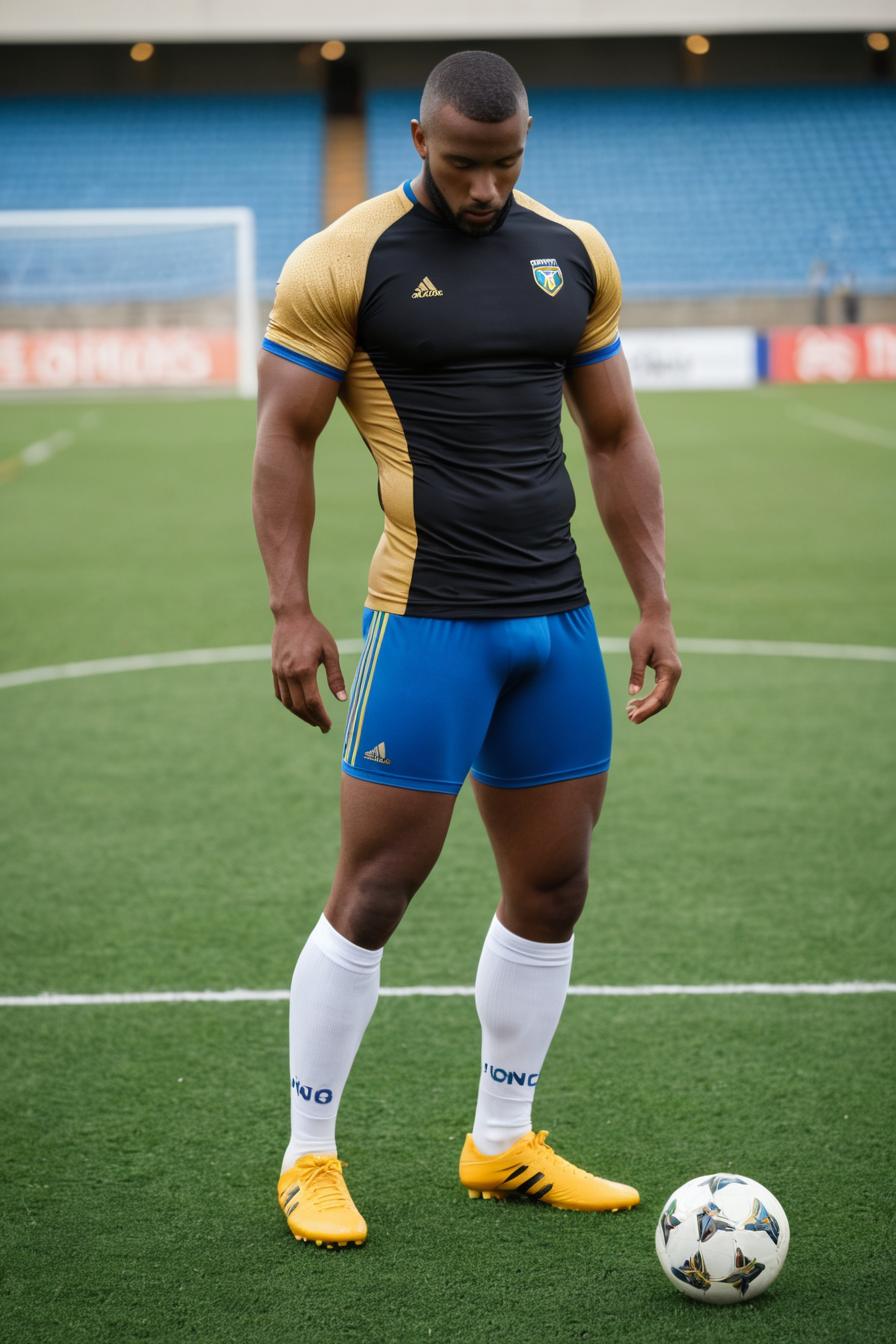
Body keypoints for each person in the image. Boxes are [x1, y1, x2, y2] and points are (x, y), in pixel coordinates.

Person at [252, 50, 681, 1249]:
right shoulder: (343, 260)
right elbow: (283, 436)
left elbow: (614, 435)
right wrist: (289, 610)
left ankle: (502, 1139)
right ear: (417, 142)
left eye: (505, 164)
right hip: (424, 619)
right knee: (375, 890)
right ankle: (308, 1155)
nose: (485, 189)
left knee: (553, 887)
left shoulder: (571, 251)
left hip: (554, 622)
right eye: (461, 165)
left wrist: (652, 602)